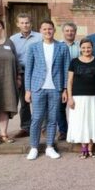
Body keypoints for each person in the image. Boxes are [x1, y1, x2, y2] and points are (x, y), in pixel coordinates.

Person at [24, 20, 71, 160]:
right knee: (37, 118)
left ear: (54, 30)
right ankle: (34, 147)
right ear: (40, 30)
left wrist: (65, 90)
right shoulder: (33, 47)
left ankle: (50, 146)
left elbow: (66, 70)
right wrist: (28, 90)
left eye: (50, 29)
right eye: (44, 29)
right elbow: (29, 70)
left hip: (55, 88)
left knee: (52, 119)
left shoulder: (62, 48)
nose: (47, 31)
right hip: (38, 88)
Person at [66, 39, 95, 158]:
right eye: (83, 48)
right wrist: (70, 97)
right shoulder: (74, 62)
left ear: (92, 48)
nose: (86, 50)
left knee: (93, 122)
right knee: (81, 122)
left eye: (88, 47)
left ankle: (90, 148)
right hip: (78, 97)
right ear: (80, 48)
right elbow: (69, 81)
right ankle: (83, 148)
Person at [9, 13, 41, 139]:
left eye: (27, 22)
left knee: (40, 100)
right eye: (22, 23)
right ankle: (26, 127)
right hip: (21, 72)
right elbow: (11, 57)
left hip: (37, 72)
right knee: (25, 101)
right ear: (18, 24)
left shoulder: (39, 37)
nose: (25, 25)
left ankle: (41, 126)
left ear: (31, 23)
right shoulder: (13, 39)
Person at [57, 22, 79, 140]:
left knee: (76, 106)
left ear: (75, 32)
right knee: (60, 107)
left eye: (72, 31)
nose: (69, 33)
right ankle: (63, 131)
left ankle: (75, 130)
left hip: (76, 81)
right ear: (63, 32)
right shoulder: (57, 45)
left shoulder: (80, 46)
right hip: (60, 80)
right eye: (67, 31)